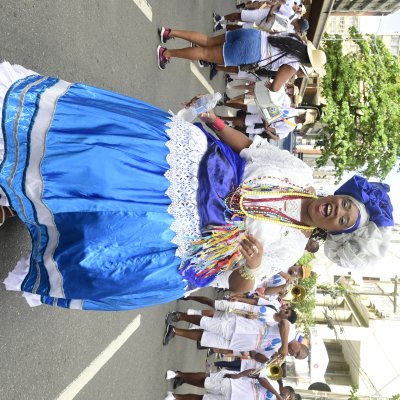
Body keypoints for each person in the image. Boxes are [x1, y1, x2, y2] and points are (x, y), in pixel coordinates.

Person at [2, 63, 394, 311]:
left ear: (332, 234)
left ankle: (26, 202)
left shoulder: (290, 248)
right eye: (345, 204)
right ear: (340, 194)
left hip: (192, 234)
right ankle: (17, 165)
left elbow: (238, 288)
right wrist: (215, 122)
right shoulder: (301, 176)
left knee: (105, 229)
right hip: (194, 165)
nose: (337, 211)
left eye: (343, 221)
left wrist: (252, 265)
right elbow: (252, 150)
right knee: (101, 162)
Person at [157, 28, 326, 93]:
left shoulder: (295, 37)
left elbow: (274, 31)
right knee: (205, 54)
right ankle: (167, 53)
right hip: (251, 52)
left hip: (254, 34)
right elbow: (275, 87)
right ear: (309, 62)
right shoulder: (294, 64)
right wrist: (272, 87)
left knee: (208, 41)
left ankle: (169, 32)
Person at [164, 368, 296, 400]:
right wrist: (238, 375)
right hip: (234, 385)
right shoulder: (275, 382)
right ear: (286, 390)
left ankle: (175, 397)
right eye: (289, 397)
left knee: (202, 399)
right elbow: (258, 375)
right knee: (204, 380)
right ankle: (178, 375)